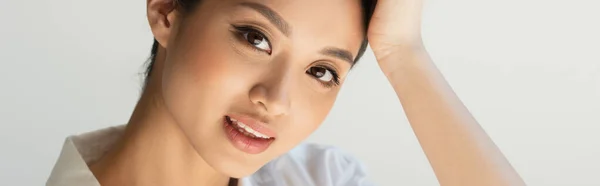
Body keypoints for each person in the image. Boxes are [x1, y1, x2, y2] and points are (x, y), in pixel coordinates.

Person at [46, 0, 527, 185]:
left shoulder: (319, 180)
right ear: (167, 10)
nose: (276, 100)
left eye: (321, 71)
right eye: (256, 38)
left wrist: (404, 54)